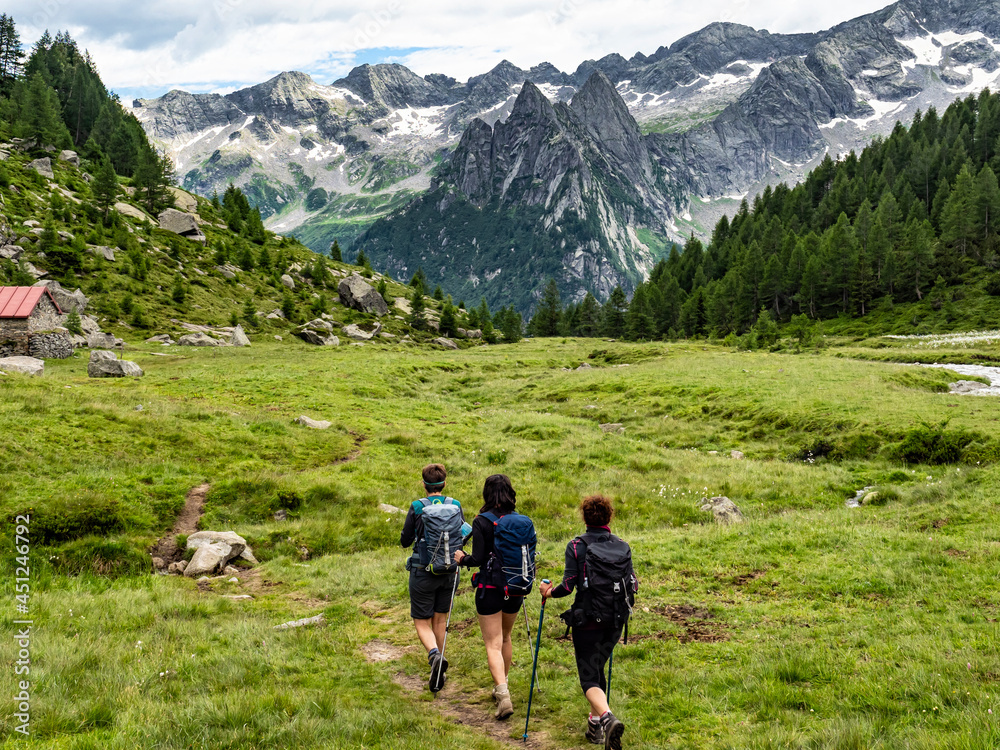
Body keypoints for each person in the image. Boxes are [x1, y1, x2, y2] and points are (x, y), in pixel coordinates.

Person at [539, 494, 637, 750]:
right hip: (615, 621)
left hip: (588, 621)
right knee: (597, 668)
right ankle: (595, 727)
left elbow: (568, 586)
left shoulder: (576, 546)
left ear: (584, 517)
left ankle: (607, 718)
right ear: (609, 517)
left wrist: (548, 593)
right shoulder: (622, 545)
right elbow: (632, 583)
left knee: (588, 679)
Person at [454, 474, 527, 720]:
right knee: (506, 637)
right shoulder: (520, 520)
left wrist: (461, 559)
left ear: (487, 493)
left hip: (490, 589)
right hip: (515, 588)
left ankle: (503, 694)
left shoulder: (482, 521)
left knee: (492, 643)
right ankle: (502, 683)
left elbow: (478, 558)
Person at [400, 463, 468, 692]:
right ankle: (439, 668)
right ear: (444, 484)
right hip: (450, 571)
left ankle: (434, 655)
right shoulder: (455, 505)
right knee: (440, 620)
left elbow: (405, 540)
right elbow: (463, 534)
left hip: (423, 570)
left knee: (421, 621)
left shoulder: (417, 507)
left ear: (424, 485)